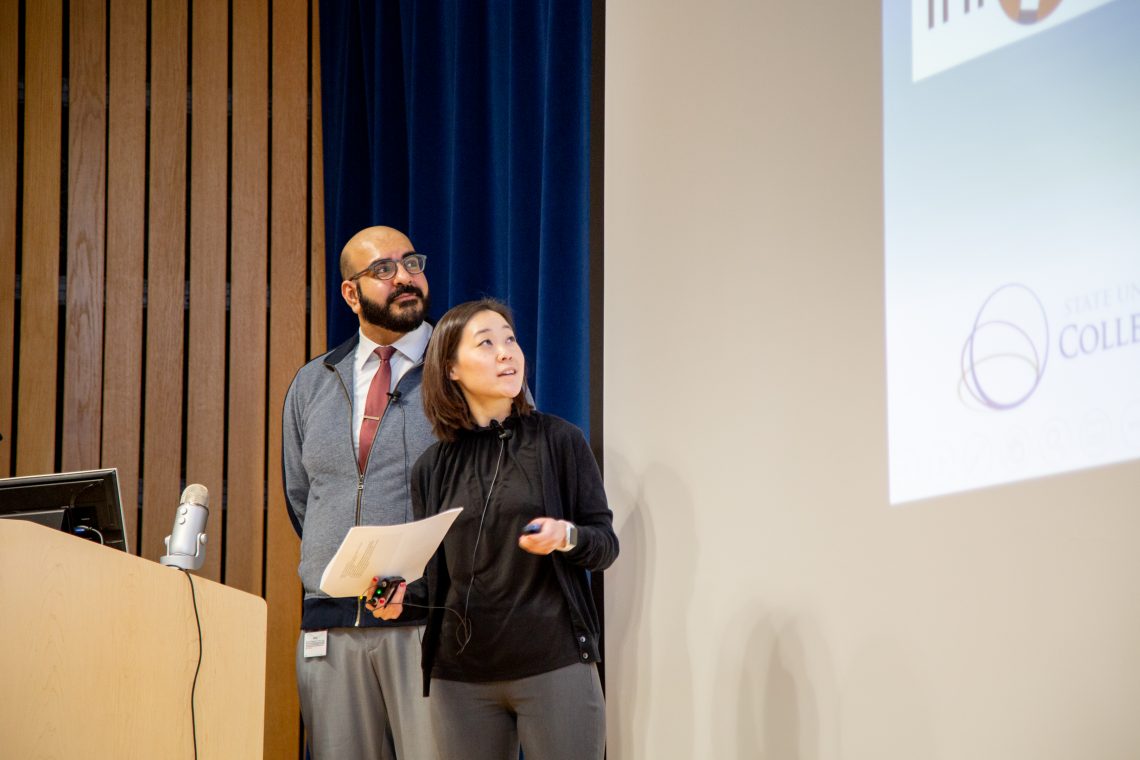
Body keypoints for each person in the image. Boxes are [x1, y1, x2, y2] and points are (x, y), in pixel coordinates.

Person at [370, 298, 618, 760]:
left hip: (553, 662)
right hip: (460, 677)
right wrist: (400, 597)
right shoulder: (432, 467)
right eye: (486, 343)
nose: (507, 352)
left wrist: (566, 536)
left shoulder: (559, 441)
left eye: (510, 340)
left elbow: (604, 545)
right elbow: (437, 578)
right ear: (451, 370)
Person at [282, 225, 438, 760]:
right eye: (384, 270)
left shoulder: (464, 367)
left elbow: (504, 486)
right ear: (351, 293)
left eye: (411, 263)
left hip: (429, 622)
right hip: (331, 627)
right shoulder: (312, 382)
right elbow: (304, 500)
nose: (405, 278)